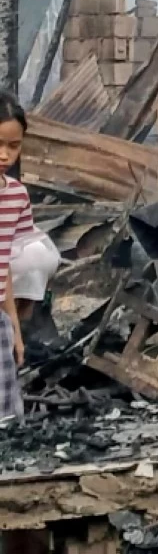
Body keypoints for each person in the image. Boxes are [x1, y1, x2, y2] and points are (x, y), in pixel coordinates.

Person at [0, 92, 29, 421]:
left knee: (6, 423)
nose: (5, 155)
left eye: (13, 146)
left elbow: (2, 265)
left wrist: (14, 331)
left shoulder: (16, 197)